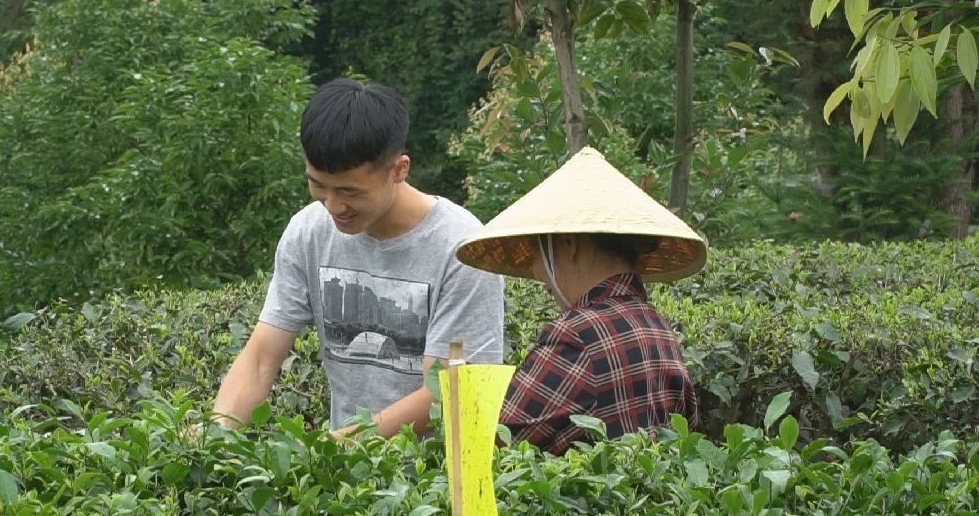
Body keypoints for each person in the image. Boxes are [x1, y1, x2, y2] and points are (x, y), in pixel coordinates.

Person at [210, 78, 505, 439]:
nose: (333, 206)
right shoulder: (308, 232)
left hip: (437, 479)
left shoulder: (461, 248)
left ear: (399, 170)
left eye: (350, 191)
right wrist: (218, 436)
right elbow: (260, 360)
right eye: (318, 185)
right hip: (349, 476)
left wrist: (333, 449)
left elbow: (444, 393)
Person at [455, 147, 704, 455]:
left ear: (569, 244)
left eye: (536, 254)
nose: (535, 271)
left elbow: (498, 440)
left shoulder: (576, 335)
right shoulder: (659, 328)